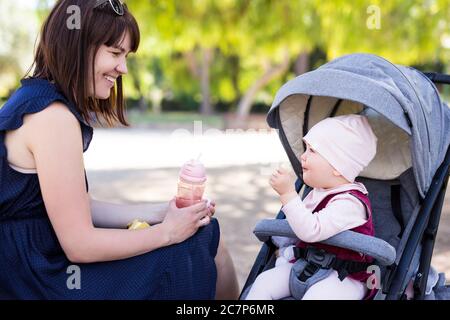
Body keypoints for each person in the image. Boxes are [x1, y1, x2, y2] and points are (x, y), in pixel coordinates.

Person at [0, 0, 238, 299]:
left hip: (37, 264)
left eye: (126, 55)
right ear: (78, 45)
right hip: (38, 279)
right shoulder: (52, 117)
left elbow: (82, 207)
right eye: (115, 53)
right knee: (201, 243)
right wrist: (167, 232)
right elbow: (79, 244)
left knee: (202, 234)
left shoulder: (36, 99)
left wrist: (162, 213)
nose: (123, 68)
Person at [246, 114, 378, 300]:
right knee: (263, 282)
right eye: (305, 148)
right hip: (306, 265)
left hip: (343, 278)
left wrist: (288, 195)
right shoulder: (318, 192)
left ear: (338, 166)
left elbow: (311, 230)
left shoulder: (350, 203)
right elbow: (295, 225)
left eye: (312, 150)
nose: (303, 156)